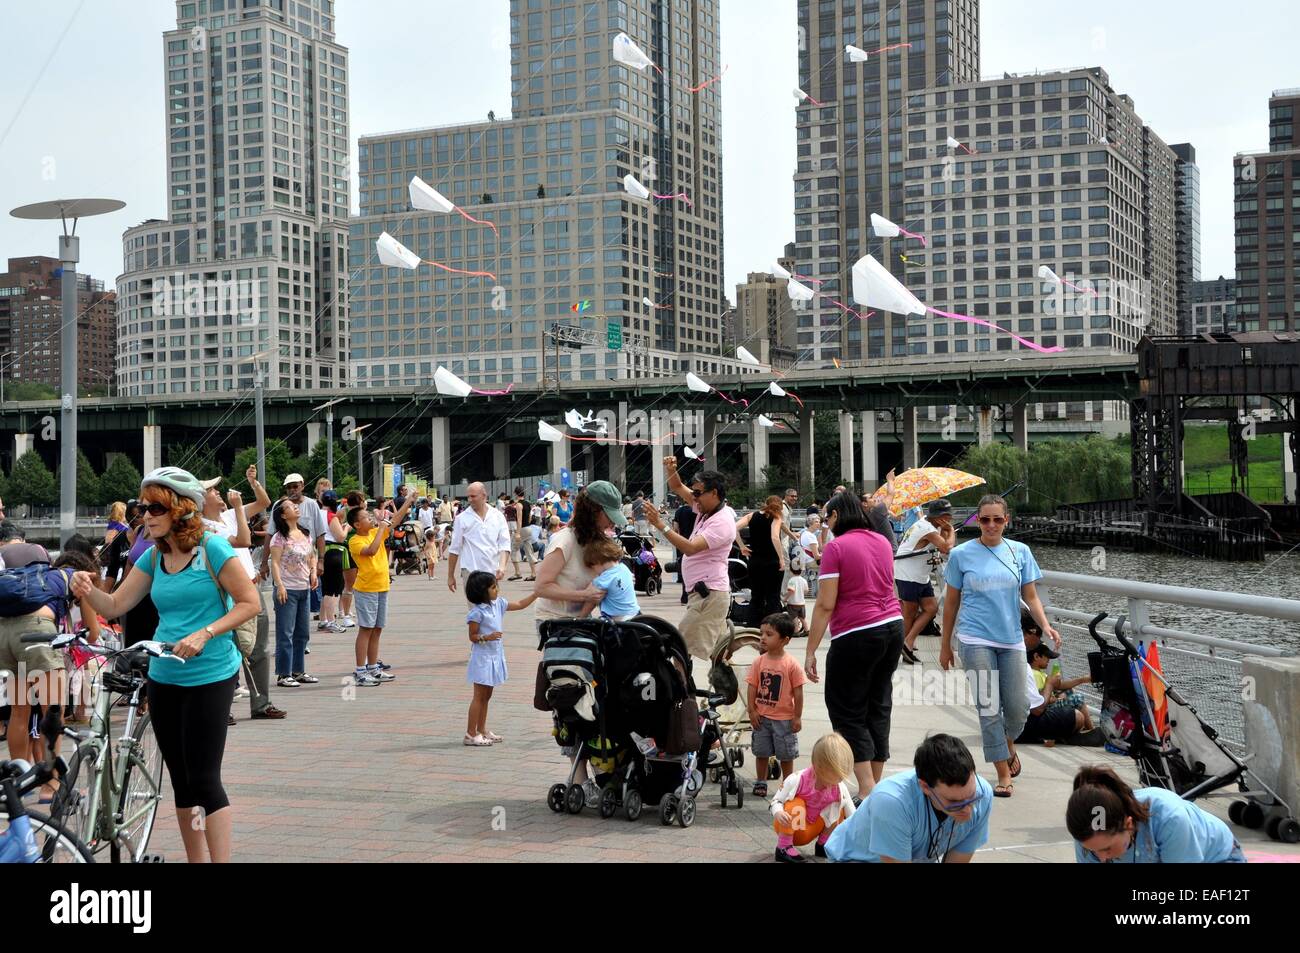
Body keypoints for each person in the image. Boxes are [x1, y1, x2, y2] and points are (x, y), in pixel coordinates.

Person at [70, 467, 259, 863]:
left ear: (179, 510)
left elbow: (249, 603)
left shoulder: (213, 548)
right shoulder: (155, 556)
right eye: (142, 507)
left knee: (205, 780)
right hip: (164, 675)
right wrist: (87, 592)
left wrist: (206, 633)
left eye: (155, 507)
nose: (146, 515)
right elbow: (117, 605)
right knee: (182, 782)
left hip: (209, 675)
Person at [940, 494, 1057, 798]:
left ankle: (1006, 743)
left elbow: (1030, 596)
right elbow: (951, 603)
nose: (991, 525)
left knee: (1019, 708)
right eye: (984, 519)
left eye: (997, 519)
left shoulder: (1020, 552)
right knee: (989, 708)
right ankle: (1003, 773)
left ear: (1007, 521)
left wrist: (1044, 625)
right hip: (974, 638)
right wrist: (945, 645)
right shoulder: (961, 555)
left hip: (1012, 640)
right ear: (976, 521)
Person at [803, 492, 903, 797]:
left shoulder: (836, 547)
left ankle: (866, 790)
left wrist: (810, 651)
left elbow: (825, 604)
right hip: (893, 627)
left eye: (826, 517)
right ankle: (874, 783)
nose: (825, 523)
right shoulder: (882, 541)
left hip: (857, 633)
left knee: (847, 709)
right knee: (878, 704)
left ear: (835, 517)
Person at [533, 482, 624, 804]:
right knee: (571, 697)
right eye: (607, 516)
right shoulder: (564, 540)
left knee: (599, 697)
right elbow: (542, 586)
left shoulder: (599, 540)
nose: (611, 523)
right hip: (559, 629)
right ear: (594, 511)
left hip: (589, 628)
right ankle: (581, 777)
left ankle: (607, 765)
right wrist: (582, 596)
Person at [825, 734, 994, 864]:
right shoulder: (892, 802)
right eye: (954, 802)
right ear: (925, 787)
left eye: (972, 797)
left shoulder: (984, 793)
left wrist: (964, 800)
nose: (968, 810)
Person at [199, 466, 282, 721]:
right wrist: (237, 508)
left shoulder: (230, 515)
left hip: (250, 585)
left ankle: (261, 704)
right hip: (226, 591)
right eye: (212, 490)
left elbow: (264, 502)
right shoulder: (203, 525)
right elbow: (244, 541)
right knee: (229, 648)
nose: (218, 492)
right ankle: (221, 707)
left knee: (258, 647)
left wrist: (253, 482)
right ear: (200, 500)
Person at [644, 462, 736, 670]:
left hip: (709, 595)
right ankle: (728, 690)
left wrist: (661, 525)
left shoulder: (721, 521)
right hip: (704, 594)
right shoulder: (707, 509)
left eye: (697, 493)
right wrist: (670, 469)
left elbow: (691, 548)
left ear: (713, 493)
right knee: (717, 655)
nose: (693, 498)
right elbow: (677, 487)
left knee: (680, 647)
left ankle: (684, 697)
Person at [0, 520, 68, 798]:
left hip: (5, 633)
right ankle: (51, 784)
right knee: (52, 708)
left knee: (19, 710)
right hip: (37, 632)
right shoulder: (39, 553)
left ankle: (20, 780)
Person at [1067, 766, 1245, 863]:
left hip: (1218, 857)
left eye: (1106, 849)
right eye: (1092, 850)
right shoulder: (1087, 833)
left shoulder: (1170, 818)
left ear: (1129, 825)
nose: (1101, 858)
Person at [346, 489, 414, 686]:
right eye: (366, 517)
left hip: (381, 586)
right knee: (365, 629)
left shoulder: (376, 531)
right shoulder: (355, 540)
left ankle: (373, 667)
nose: (371, 518)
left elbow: (397, 519)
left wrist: (408, 501)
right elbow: (372, 550)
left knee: (377, 629)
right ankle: (360, 670)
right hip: (366, 589)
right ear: (357, 524)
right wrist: (382, 529)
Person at [463, 570, 536, 747]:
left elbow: (519, 604)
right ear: (482, 591)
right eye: (493, 587)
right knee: (479, 696)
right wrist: (486, 637)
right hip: (482, 658)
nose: (497, 589)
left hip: (495, 655)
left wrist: (536, 594)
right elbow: (472, 636)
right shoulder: (477, 613)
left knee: (487, 696)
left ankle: (482, 730)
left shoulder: (498, 604)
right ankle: (470, 733)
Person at [770, 733, 856, 863]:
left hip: (813, 827)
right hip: (791, 828)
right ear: (818, 767)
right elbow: (776, 801)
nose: (838, 780)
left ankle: (823, 844)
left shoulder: (839, 787)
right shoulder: (797, 780)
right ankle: (783, 847)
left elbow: (853, 816)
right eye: (835, 775)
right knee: (795, 803)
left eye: (841, 776)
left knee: (839, 806)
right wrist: (778, 812)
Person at [747, 613, 805, 798]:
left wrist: (797, 716)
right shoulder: (759, 662)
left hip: (784, 720)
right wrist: (752, 710)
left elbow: (798, 692)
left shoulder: (791, 665)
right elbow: (752, 687)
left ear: (785, 640)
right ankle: (761, 781)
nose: (763, 637)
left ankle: (788, 785)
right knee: (761, 752)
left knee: (786, 755)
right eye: (762, 633)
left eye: (769, 634)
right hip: (762, 718)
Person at [894, 498, 957, 665]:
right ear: (938, 517)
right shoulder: (926, 529)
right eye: (947, 517)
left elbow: (940, 546)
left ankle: (907, 642)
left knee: (931, 608)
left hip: (921, 575)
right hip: (908, 574)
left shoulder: (927, 523)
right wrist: (951, 530)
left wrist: (944, 530)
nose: (949, 520)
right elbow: (946, 547)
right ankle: (905, 645)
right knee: (910, 613)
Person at [269, 497, 318, 688]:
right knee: (285, 633)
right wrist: (279, 585)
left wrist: (313, 571)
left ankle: (298, 671)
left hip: (304, 587)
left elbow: (311, 556)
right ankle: (283, 674)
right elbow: (274, 562)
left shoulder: (305, 533)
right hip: (287, 589)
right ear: (282, 514)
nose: (295, 507)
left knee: (302, 633)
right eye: (290, 506)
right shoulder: (279, 537)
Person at [1019, 641, 1094, 745]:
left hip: (1048, 702)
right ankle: (1090, 729)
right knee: (1077, 698)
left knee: (1069, 691)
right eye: (1047, 657)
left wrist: (1082, 680)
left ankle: (1080, 727)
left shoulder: (1040, 673)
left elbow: (1060, 685)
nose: (1049, 660)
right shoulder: (1034, 675)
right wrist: (1056, 698)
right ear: (1036, 657)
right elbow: (1038, 698)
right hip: (1046, 707)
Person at [447, 482, 512, 592]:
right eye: (468, 496)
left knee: (492, 607)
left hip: (492, 572)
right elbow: (454, 549)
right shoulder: (461, 519)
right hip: (471, 572)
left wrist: (502, 566)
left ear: (484, 496)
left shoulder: (497, 516)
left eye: (473, 496)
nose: (470, 500)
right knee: (476, 608)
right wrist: (450, 575)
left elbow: (504, 544)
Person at [736, 495, 787, 628]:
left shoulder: (751, 515)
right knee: (773, 595)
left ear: (766, 503)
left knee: (756, 595)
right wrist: (781, 558)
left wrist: (742, 546)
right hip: (772, 561)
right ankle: (773, 626)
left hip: (755, 561)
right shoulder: (776, 517)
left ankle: (753, 624)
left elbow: (733, 528)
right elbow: (775, 537)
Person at [576, 537, 640, 621]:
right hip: (635, 615)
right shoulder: (624, 568)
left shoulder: (604, 579)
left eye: (592, 567)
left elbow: (592, 599)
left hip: (618, 620)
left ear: (597, 561)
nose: (594, 572)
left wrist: (580, 618)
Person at [318, 490, 348, 633]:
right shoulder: (332, 516)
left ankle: (323, 620)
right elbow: (341, 537)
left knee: (325, 588)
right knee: (333, 590)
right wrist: (347, 528)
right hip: (334, 552)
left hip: (321, 552)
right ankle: (331, 621)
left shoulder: (317, 514)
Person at [671, 496, 697, 605]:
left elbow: (676, 528)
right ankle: (695, 595)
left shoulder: (679, 511)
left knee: (685, 569)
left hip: (682, 543)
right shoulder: (698, 511)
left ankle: (684, 596)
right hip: (697, 542)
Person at [509, 487, 537, 582]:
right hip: (529, 528)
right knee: (529, 550)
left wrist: (517, 533)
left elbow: (519, 520)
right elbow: (529, 517)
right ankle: (533, 573)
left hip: (522, 529)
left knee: (513, 549)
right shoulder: (528, 504)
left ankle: (517, 573)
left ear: (515, 494)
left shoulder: (518, 505)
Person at [798, 512, 823, 601]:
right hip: (811, 562)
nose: (818, 523)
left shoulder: (804, 533)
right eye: (816, 522)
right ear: (810, 523)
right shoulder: (811, 536)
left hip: (805, 561)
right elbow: (816, 556)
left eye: (819, 521)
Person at [784, 557, 809, 634]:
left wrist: (785, 598)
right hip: (802, 603)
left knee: (794, 618)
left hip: (793, 603)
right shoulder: (803, 580)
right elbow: (806, 590)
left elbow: (791, 590)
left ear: (791, 570)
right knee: (802, 618)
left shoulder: (792, 580)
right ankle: (806, 630)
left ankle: (796, 631)